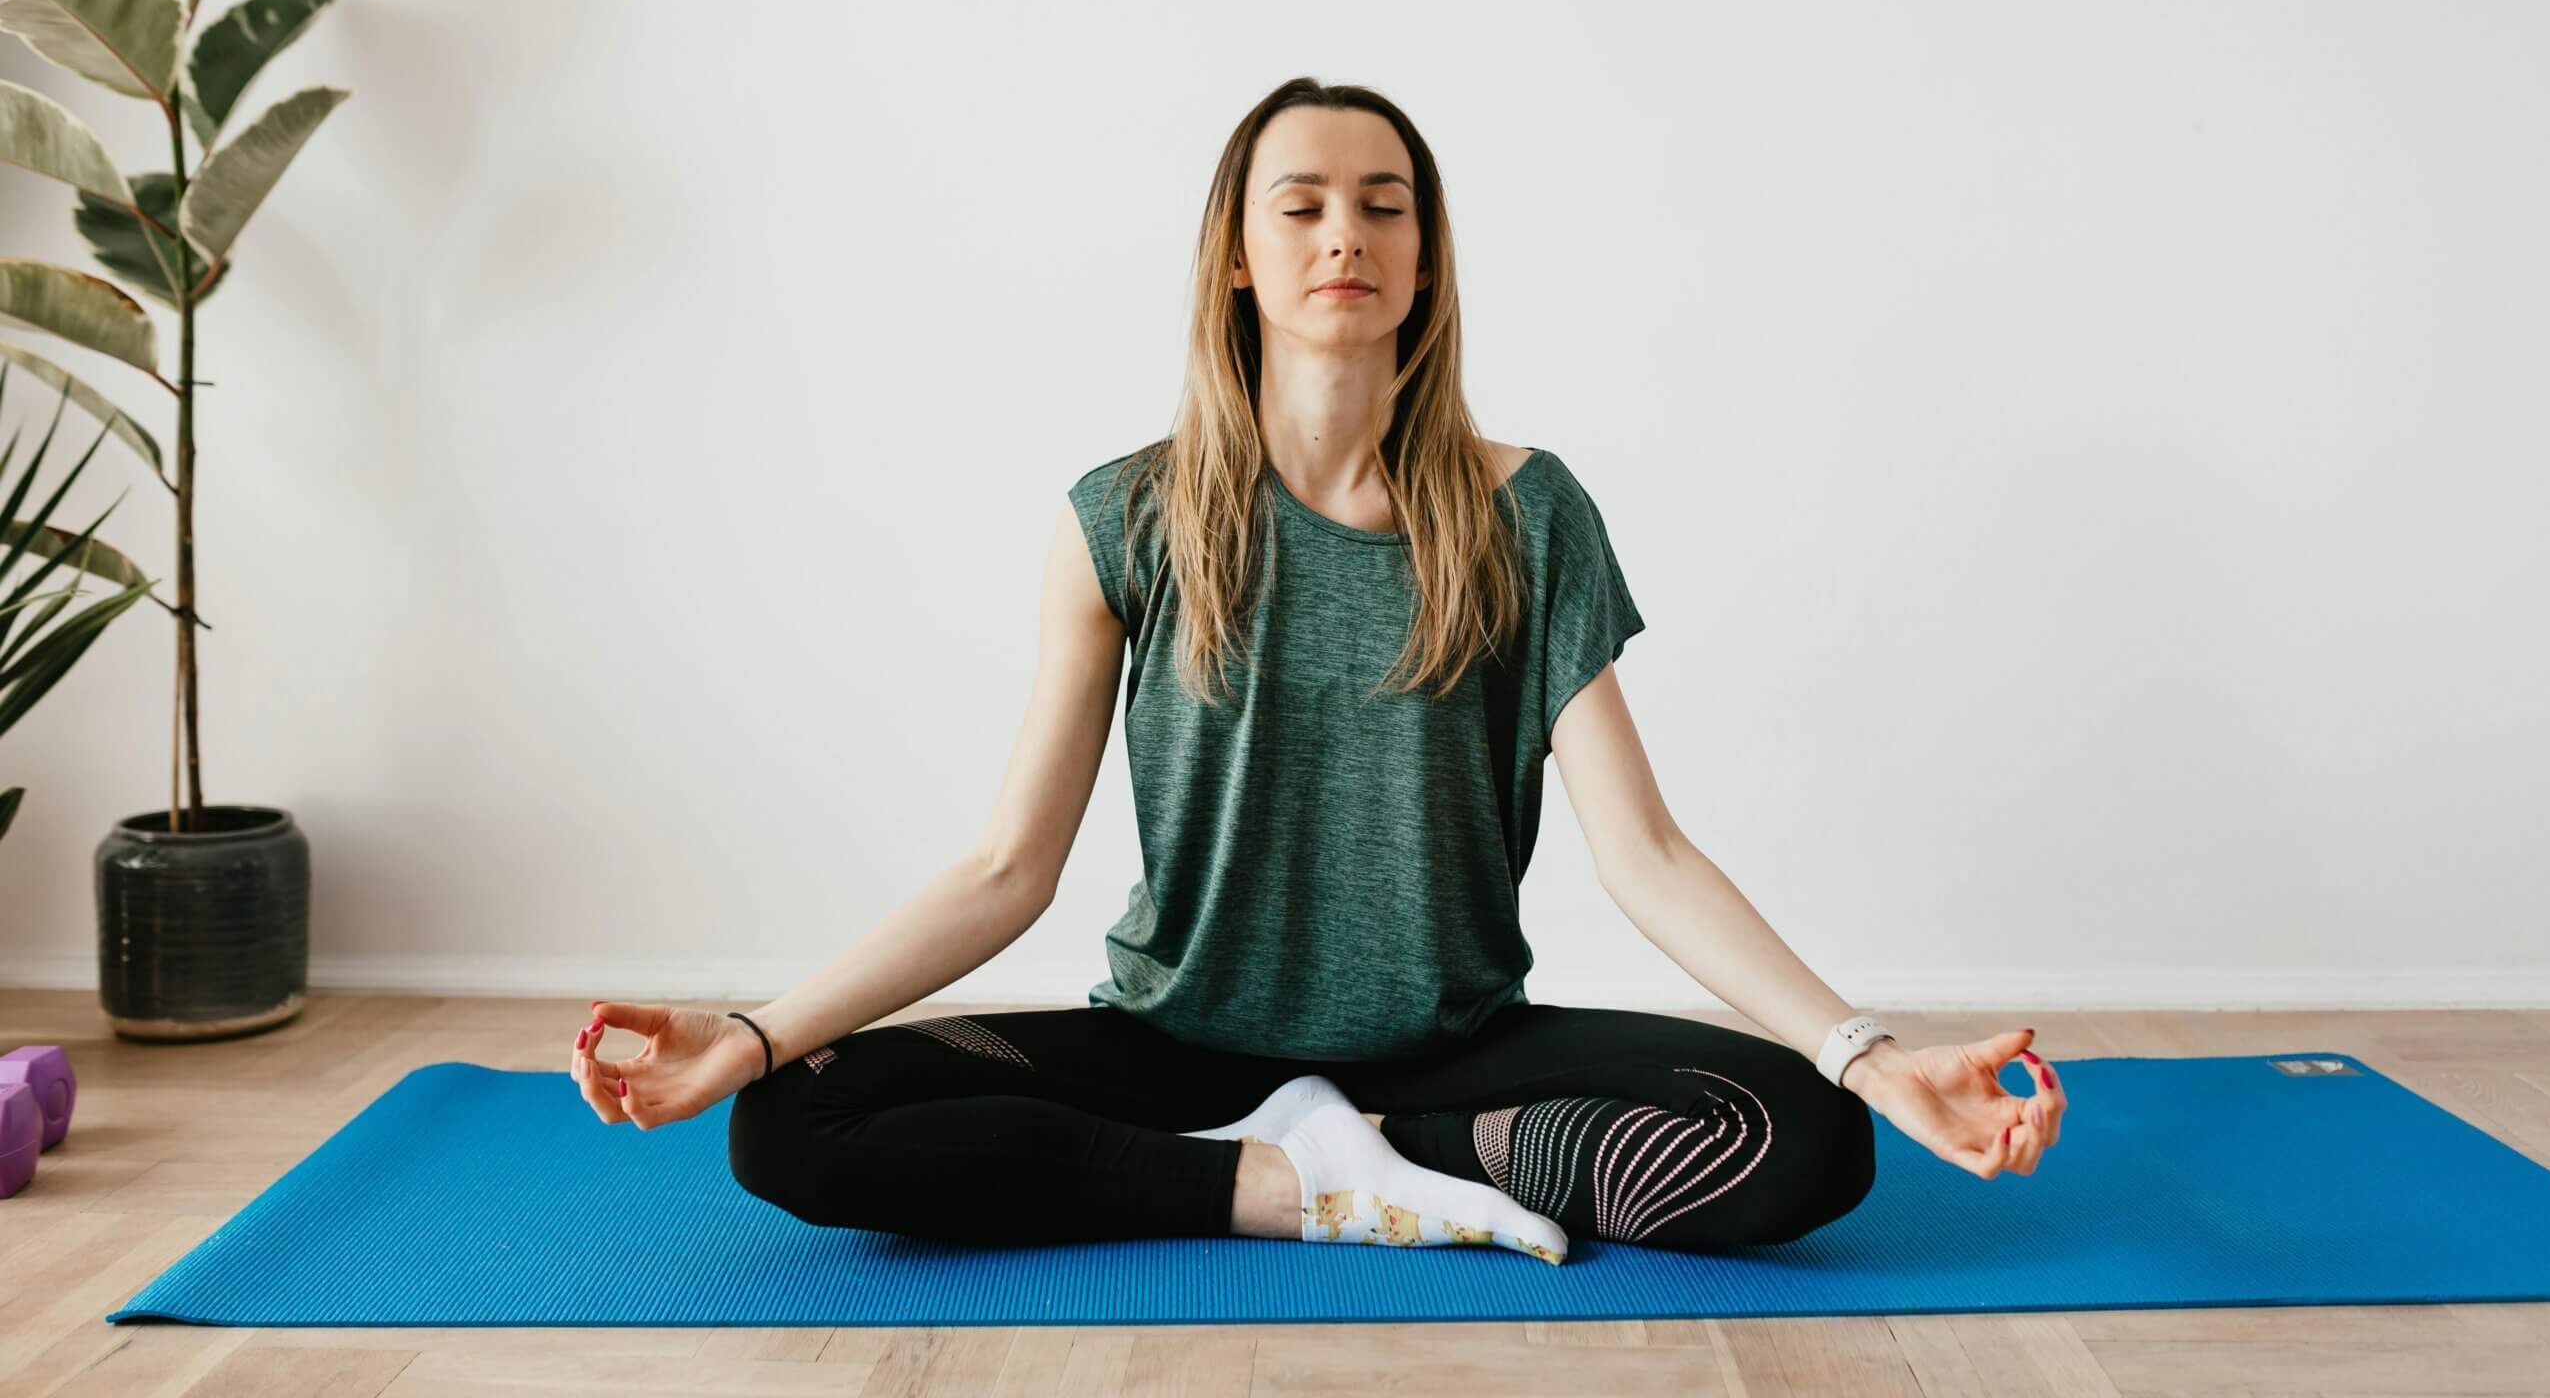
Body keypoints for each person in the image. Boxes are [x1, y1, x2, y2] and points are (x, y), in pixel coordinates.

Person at [568, 77, 2069, 1263]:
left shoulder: (1525, 515)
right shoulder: (1126, 518)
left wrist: (1867, 1055)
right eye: (1301, 206)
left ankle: (1395, 1163)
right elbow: (1006, 867)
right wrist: (758, 1028)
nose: (1344, 234)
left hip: (1456, 1052)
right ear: (1241, 254)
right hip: (1174, 1048)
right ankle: (1293, 1187)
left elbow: (1649, 852)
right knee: (794, 1121)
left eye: (1382, 206)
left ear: (1423, 258)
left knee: (1809, 1140)